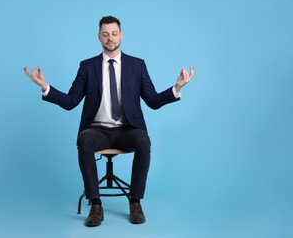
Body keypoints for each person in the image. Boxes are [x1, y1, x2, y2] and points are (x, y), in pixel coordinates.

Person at [24, 16, 195, 227]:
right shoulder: (87, 66)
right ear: (99, 37)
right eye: (105, 34)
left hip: (127, 130)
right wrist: (44, 86)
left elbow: (152, 101)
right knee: (84, 139)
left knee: (143, 140)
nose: (110, 38)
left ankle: (135, 202)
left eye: (114, 33)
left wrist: (176, 88)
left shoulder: (137, 65)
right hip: (98, 131)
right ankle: (96, 205)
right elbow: (71, 101)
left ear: (121, 35)